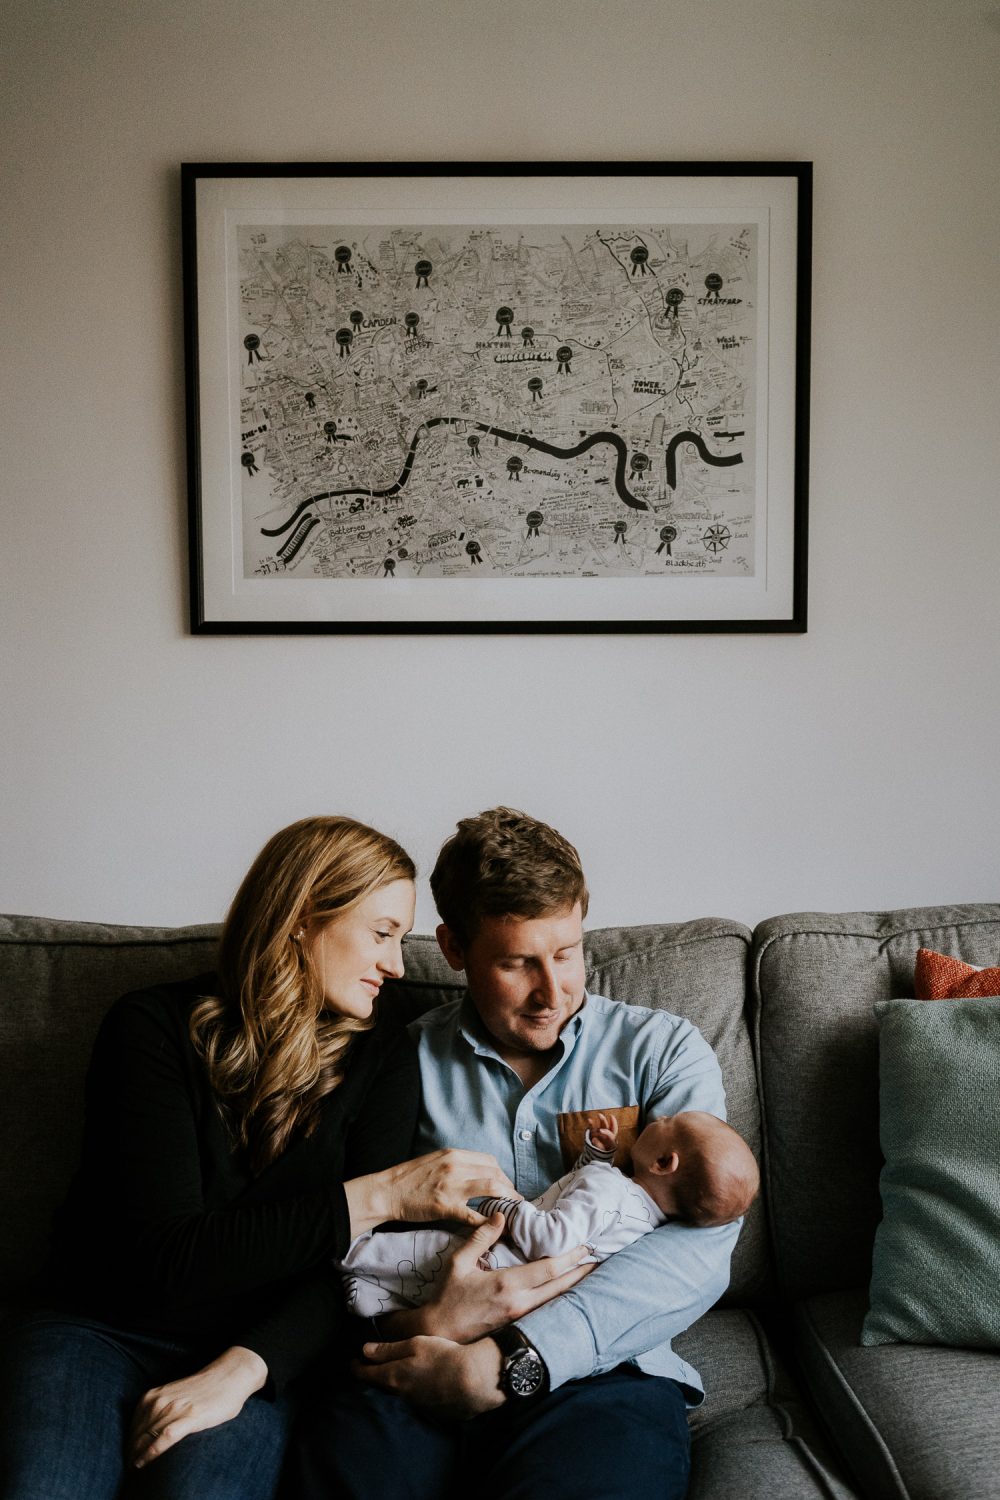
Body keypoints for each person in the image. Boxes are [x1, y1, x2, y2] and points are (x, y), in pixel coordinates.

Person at [0, 816, 584, 1500]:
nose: (398, 965)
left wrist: (246, 1368)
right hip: (99, 1328)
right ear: (303, 918)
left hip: (263, 1346)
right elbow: (166, 1257)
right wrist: (383, 1194)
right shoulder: (148, 1029)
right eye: (382, 933)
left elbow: (354, 1272)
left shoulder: (384, 1052)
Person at [293, 807, 746, 1500]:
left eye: (566, 952)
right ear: (452, 948)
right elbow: (348, 1241)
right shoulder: (399, 1062)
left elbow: (702, 1244)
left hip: (604, 1373)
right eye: (517, 963)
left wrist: (516, 1358)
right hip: (418, 1360)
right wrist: (430, 1331)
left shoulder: (663, 1051)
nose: (552, 991)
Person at [338, 1110, 759, 1317]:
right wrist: (597, 1155)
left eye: (667, 1120)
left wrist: (498, 1202)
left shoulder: (609, 1186)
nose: (658, 1116)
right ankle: (373, 1299)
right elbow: (573, 1199)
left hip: (500, 1258)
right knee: (419, 1279)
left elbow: (553, 1236)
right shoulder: (644, 1222)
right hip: (519, 1293)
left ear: (664, 1162)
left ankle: (346, 1256)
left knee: (418, 1251)